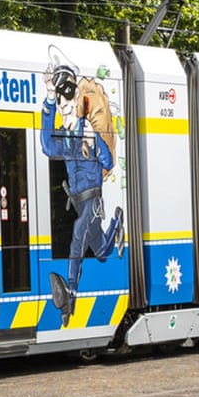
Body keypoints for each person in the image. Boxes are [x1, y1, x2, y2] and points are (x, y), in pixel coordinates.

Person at [40, 60, 125, 317]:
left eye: (67, 105)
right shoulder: (63, 140)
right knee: (99, 250)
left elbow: (109, 161)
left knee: (78, 236)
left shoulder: (87, 132)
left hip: (92, 201)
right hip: (77, 202)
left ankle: (70, 297)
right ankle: (117, 225)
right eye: (60, 106)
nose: (64, 111)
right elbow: (46, 146)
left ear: (75, 102)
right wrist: (48, 100)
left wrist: (95, 141)